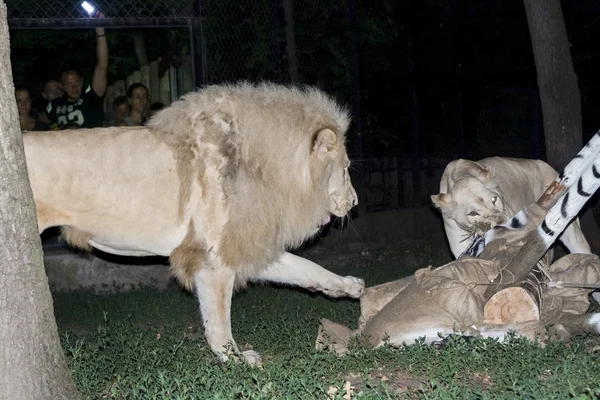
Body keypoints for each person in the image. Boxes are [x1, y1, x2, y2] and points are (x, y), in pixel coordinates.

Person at [46, 15, 109, 129]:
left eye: (77, 82)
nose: (74, 87)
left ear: (82, 81)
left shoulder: (91, 97)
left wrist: (100, 30)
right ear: (62, 86)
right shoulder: (54, 105)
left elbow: (102, 65)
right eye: (69, 84)